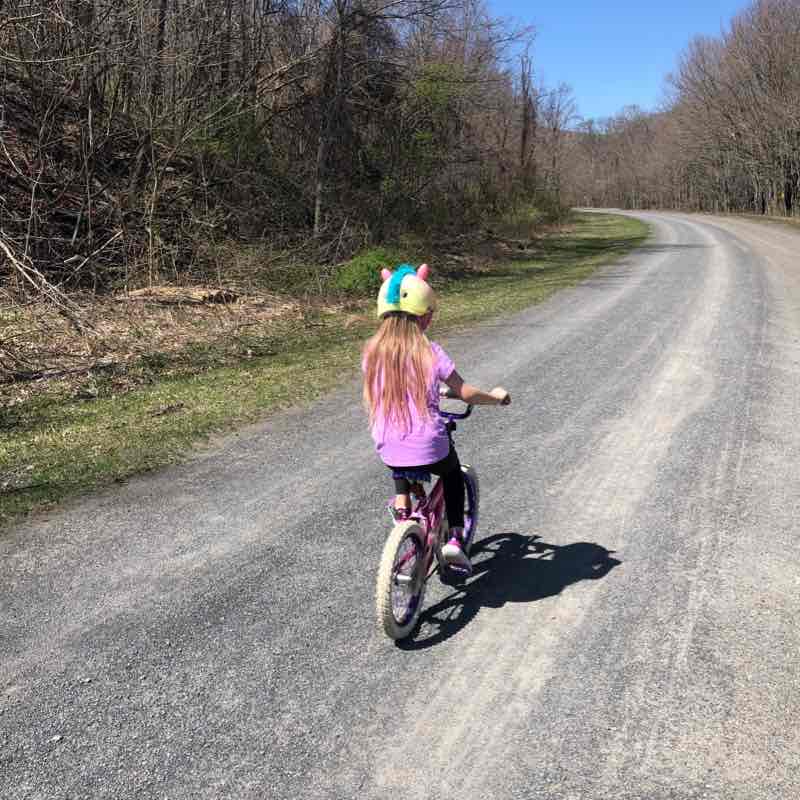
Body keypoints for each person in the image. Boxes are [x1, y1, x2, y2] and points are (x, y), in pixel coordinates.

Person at [362, 262, 511, 572]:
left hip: (384, 442)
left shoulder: (372, 352)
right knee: (452, 474)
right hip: (429, 443)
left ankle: (403, 509)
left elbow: (393, 389)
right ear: (425, 316)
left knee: (399, 448)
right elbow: (465, 391)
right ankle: (456, 537)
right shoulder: (430, 352)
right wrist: (494, 398)